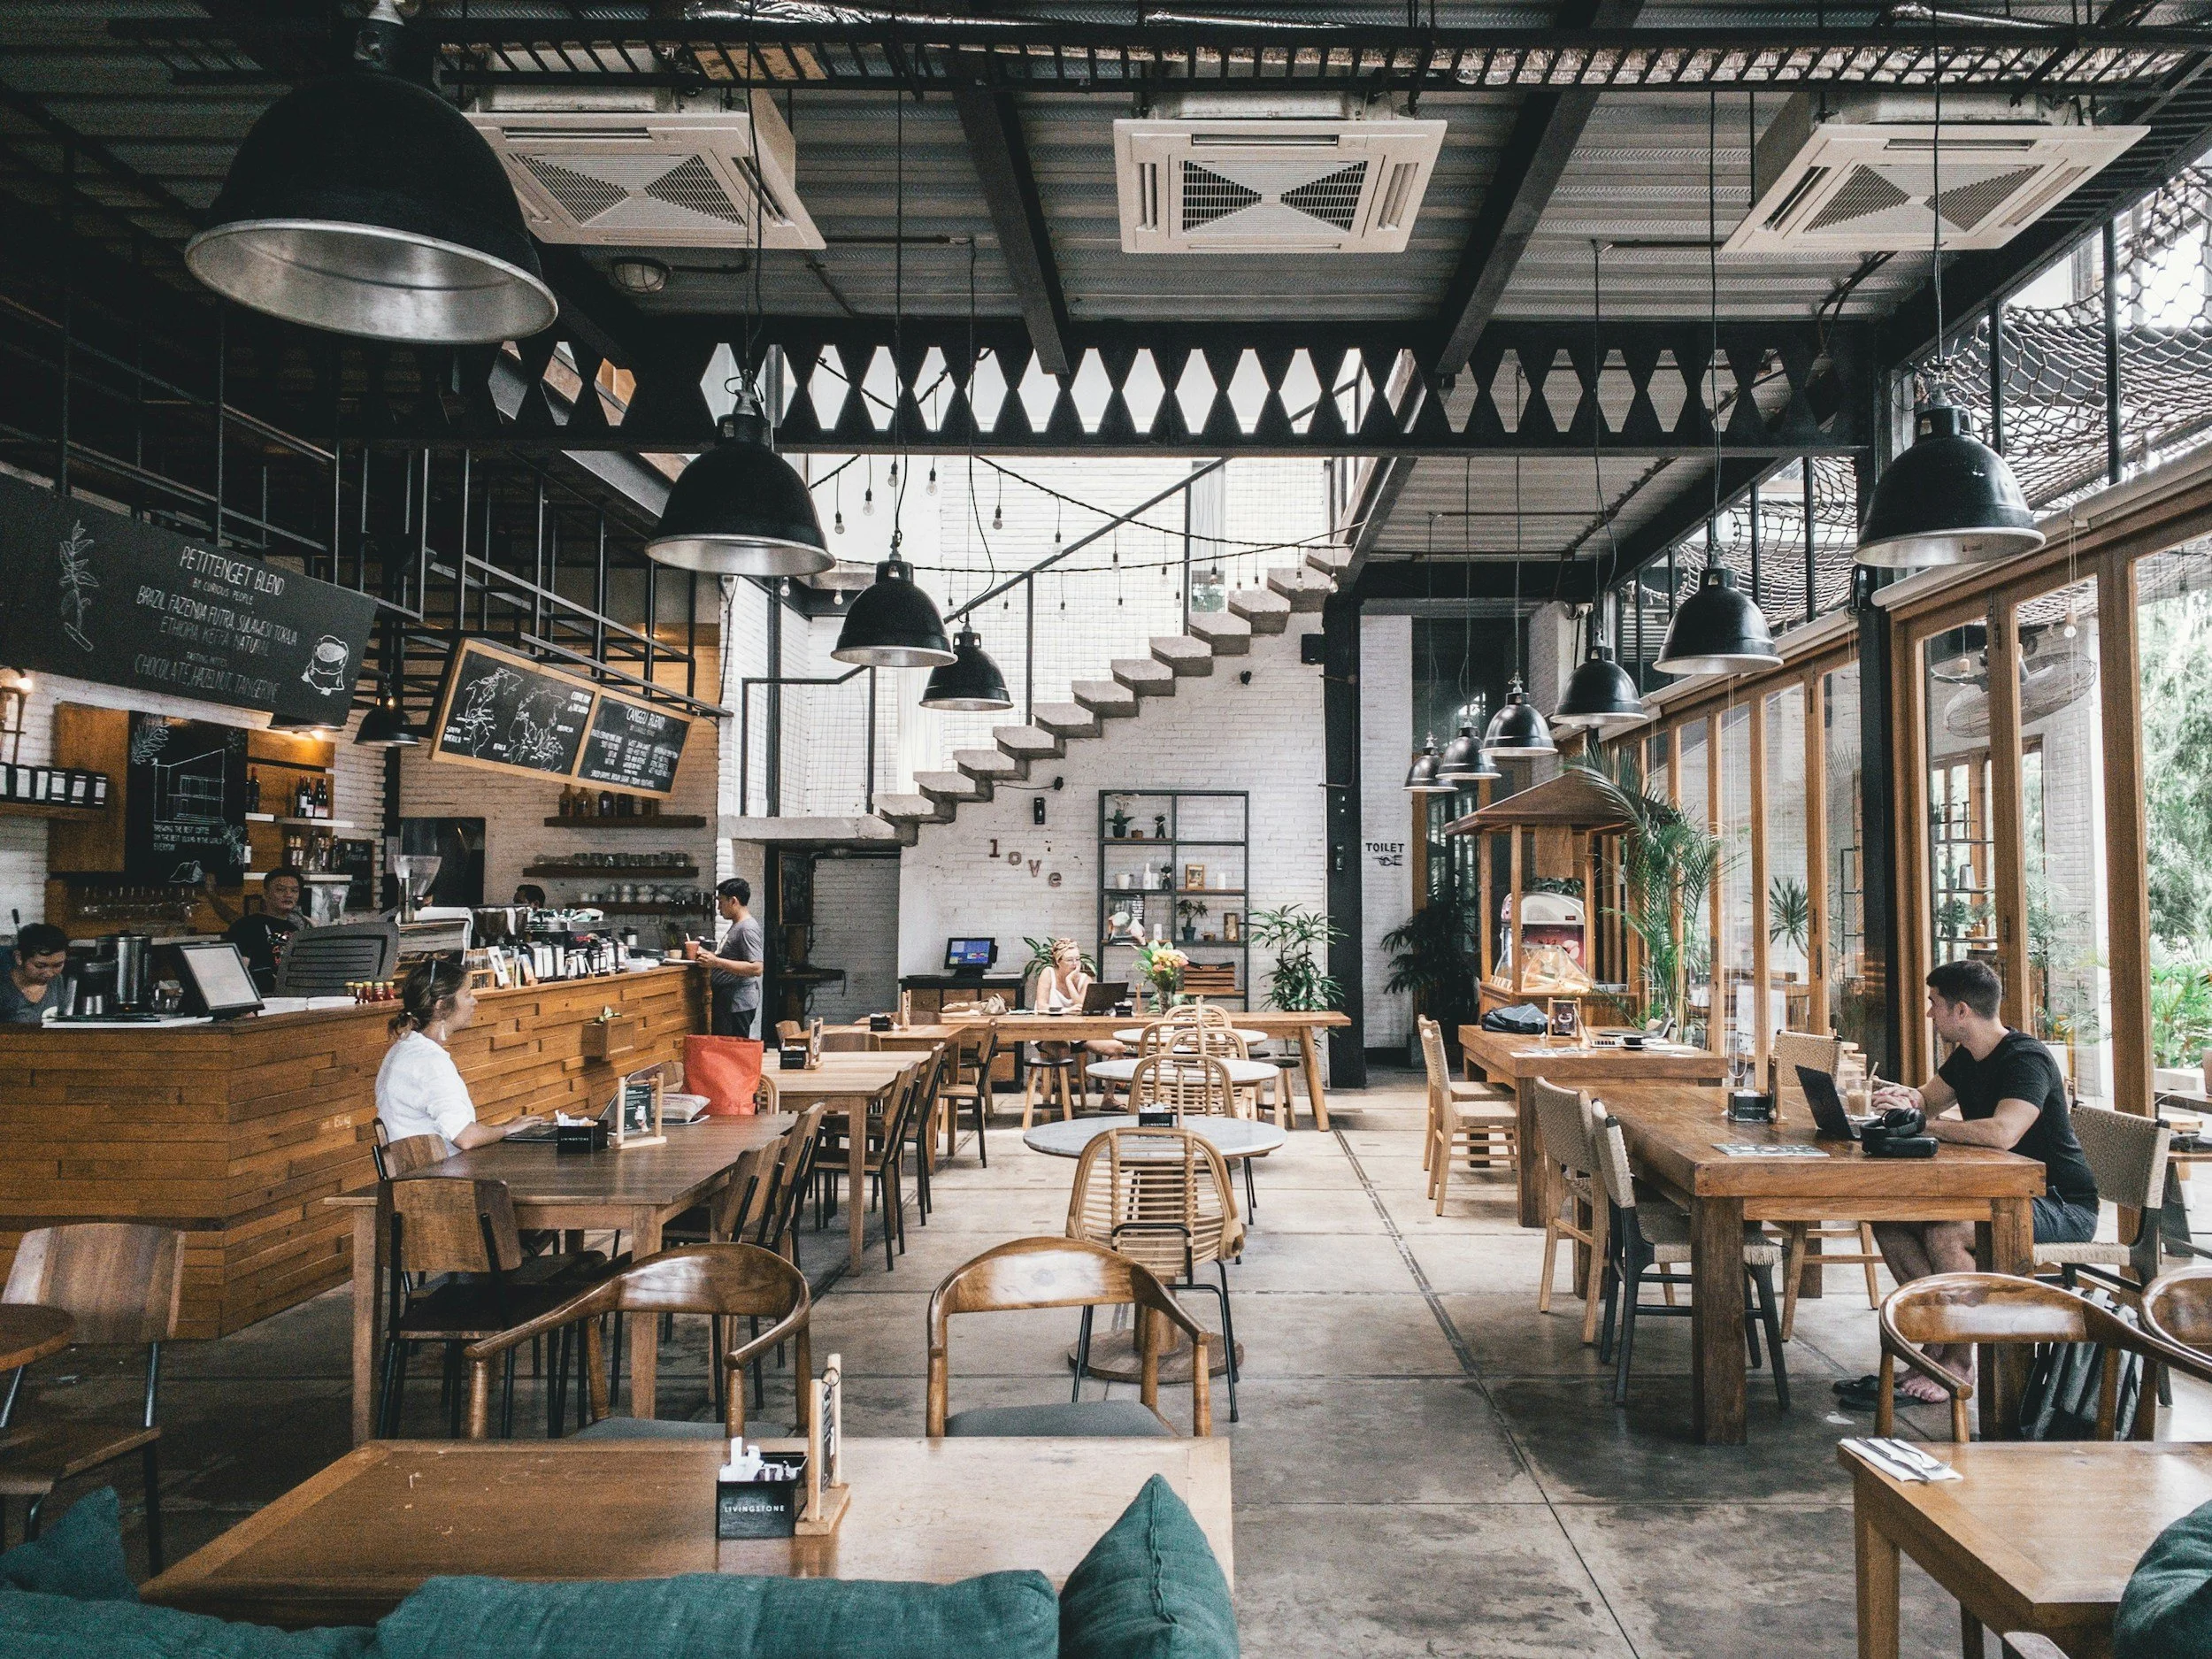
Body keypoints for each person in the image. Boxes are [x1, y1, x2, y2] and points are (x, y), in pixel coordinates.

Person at [1835, 957, 2101, 1410]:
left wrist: (1923, 1126)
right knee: (1892, 1217)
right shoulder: (1967, 1057)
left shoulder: (2026, 1058)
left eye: (1934, 1004)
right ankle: (1934, 1346)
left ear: (1961, 1011)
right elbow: (1927, 1099)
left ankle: (1958, 1361)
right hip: (2000, 1193)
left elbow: (2003, 1132)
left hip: (2058, 1204)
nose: (1929, 1013)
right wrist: (1904, 1098)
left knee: (1947, 1229)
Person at [374, 958, 543, 1153]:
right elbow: (465, 1137)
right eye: (468, 995)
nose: (475, 1002)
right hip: (438, 1179)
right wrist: (506, 1129)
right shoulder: (430, 1062)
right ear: (441, 1005)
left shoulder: (403, 1049)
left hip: (421, 1173)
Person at [686, 877, 764, 1038]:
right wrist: (710, 956)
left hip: (737, 1001)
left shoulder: (746, 928)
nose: (718, 908)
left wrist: (716, 962)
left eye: (721, 902)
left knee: (731, 1051)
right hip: (729, 999)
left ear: (733, 901)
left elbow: (757, 968)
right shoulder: (737, 926)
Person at [1029, 938, 1126, 1062]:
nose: (1075, 964)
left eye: (1078, 959)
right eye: (1070, 960)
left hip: (1079, 1034)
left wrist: (1069, 981)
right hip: (1050, 1033)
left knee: (1119, 1048)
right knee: (1063, 1049)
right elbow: (1042, 1007)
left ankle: (1110, 1081)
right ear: (1058, 961)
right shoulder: (1048, 973)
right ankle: (1060, 1082)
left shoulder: (1085, 979)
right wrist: (1067, 1010)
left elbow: (1082, 1008)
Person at [227, 865, 309, 994]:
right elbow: (236, 974)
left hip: (291, 998)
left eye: (294, 891)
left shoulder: (295, 929)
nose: (288, 895)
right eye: (281, 890)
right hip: (261, 999)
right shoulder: (246, 926)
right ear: (265, 894)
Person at [0, 923, 68, 1025]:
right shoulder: (4, 988)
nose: (49, 973)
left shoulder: (56, 980)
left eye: (57, 965)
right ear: (19, 958)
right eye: (40, 966)